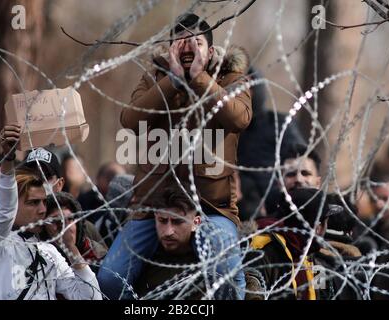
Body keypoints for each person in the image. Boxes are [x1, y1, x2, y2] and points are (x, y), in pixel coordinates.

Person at [100, 12, 252, 300]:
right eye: (180, 43)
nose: (188, 50)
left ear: (211, 50)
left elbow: (240, 119)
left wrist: (199, 79)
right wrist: (171, 81)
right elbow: (130, 120)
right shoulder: (154, 79)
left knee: (226, 277)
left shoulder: (231, 79)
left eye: (196, 43)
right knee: (109, 278)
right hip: (153, 206)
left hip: (211, 207)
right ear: (169, 49)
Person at [0, 124, 102, 300]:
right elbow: (4, 211)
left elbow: (90, 297)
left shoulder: (49, 252)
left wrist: (71, 247)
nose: (42, 210)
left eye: (43, 202)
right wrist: (9, 158)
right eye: (33, 203)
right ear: (14, 204)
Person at [245, 188, 342, 300]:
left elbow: (324, 296)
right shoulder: (264, 251)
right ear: (318, 227)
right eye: (325, 222)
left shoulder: (314, 260)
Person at [237, 66, 305, 220]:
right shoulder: (225, 130)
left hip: (276, 209)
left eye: (245, 88)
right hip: (238, 209)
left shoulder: (279, 124)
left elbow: (302, 163)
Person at [134, 185, 202, 299]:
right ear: (155, 217)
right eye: (162, 221)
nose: (168, 232)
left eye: (177, 222)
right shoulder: (141, 261)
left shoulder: (206, 267)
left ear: (196, 223)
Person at [44, 192, 108, 270]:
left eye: (70, 219)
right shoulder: (41, 258)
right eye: (56, 221)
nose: (65, 227)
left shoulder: (96, 254)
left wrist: (70, 247)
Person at [265, 143, 322, 215]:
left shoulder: (334, 221)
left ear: (318, 182)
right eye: (291, 174)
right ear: (280, 184)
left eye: (305, 173)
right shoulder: (270, 224)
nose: (298, 179)